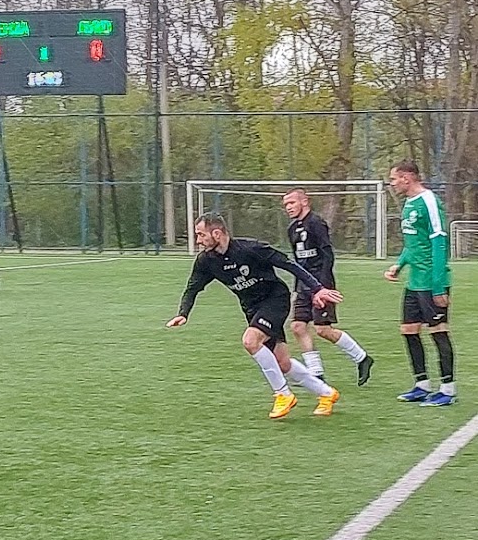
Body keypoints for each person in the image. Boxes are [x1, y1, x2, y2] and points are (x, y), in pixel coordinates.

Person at [166, 213, 344, 419]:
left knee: (250, 341)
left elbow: (289, 264)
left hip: (275, 300)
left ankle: (283, 394)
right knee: (282, 362)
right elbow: (192, 288)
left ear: (217, 233)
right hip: (251, 308)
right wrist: (183, 313)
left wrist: (317, 289)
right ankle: (327, 393)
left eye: (201, 234)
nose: (198, 240)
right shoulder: (206, 261)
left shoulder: (251, 249)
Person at [282, 188, 374, 385]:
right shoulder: (291, 229)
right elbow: (298, 263)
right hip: (303, 285)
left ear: (304, 202)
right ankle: (316, 373)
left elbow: (327, 256)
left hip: (320, 284)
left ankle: (362, 358)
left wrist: (321, 288)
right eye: (286, 205)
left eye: (292, 203)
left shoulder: (316, 223)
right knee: (298, 327)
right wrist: (298, 287)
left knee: (323, 329)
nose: (288, 208)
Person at [386, 160, 456, 406]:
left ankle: (447, 389)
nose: (392, 184)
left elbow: (439, 242)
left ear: (407, 178)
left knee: (438, 331)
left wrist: (438, 286)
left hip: (431, 280)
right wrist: (399, 264)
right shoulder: (408, 204)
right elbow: (413, 242)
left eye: (394, 179)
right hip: (414, 281)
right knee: (408, 330)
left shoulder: (429, 201)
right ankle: (422, 384)